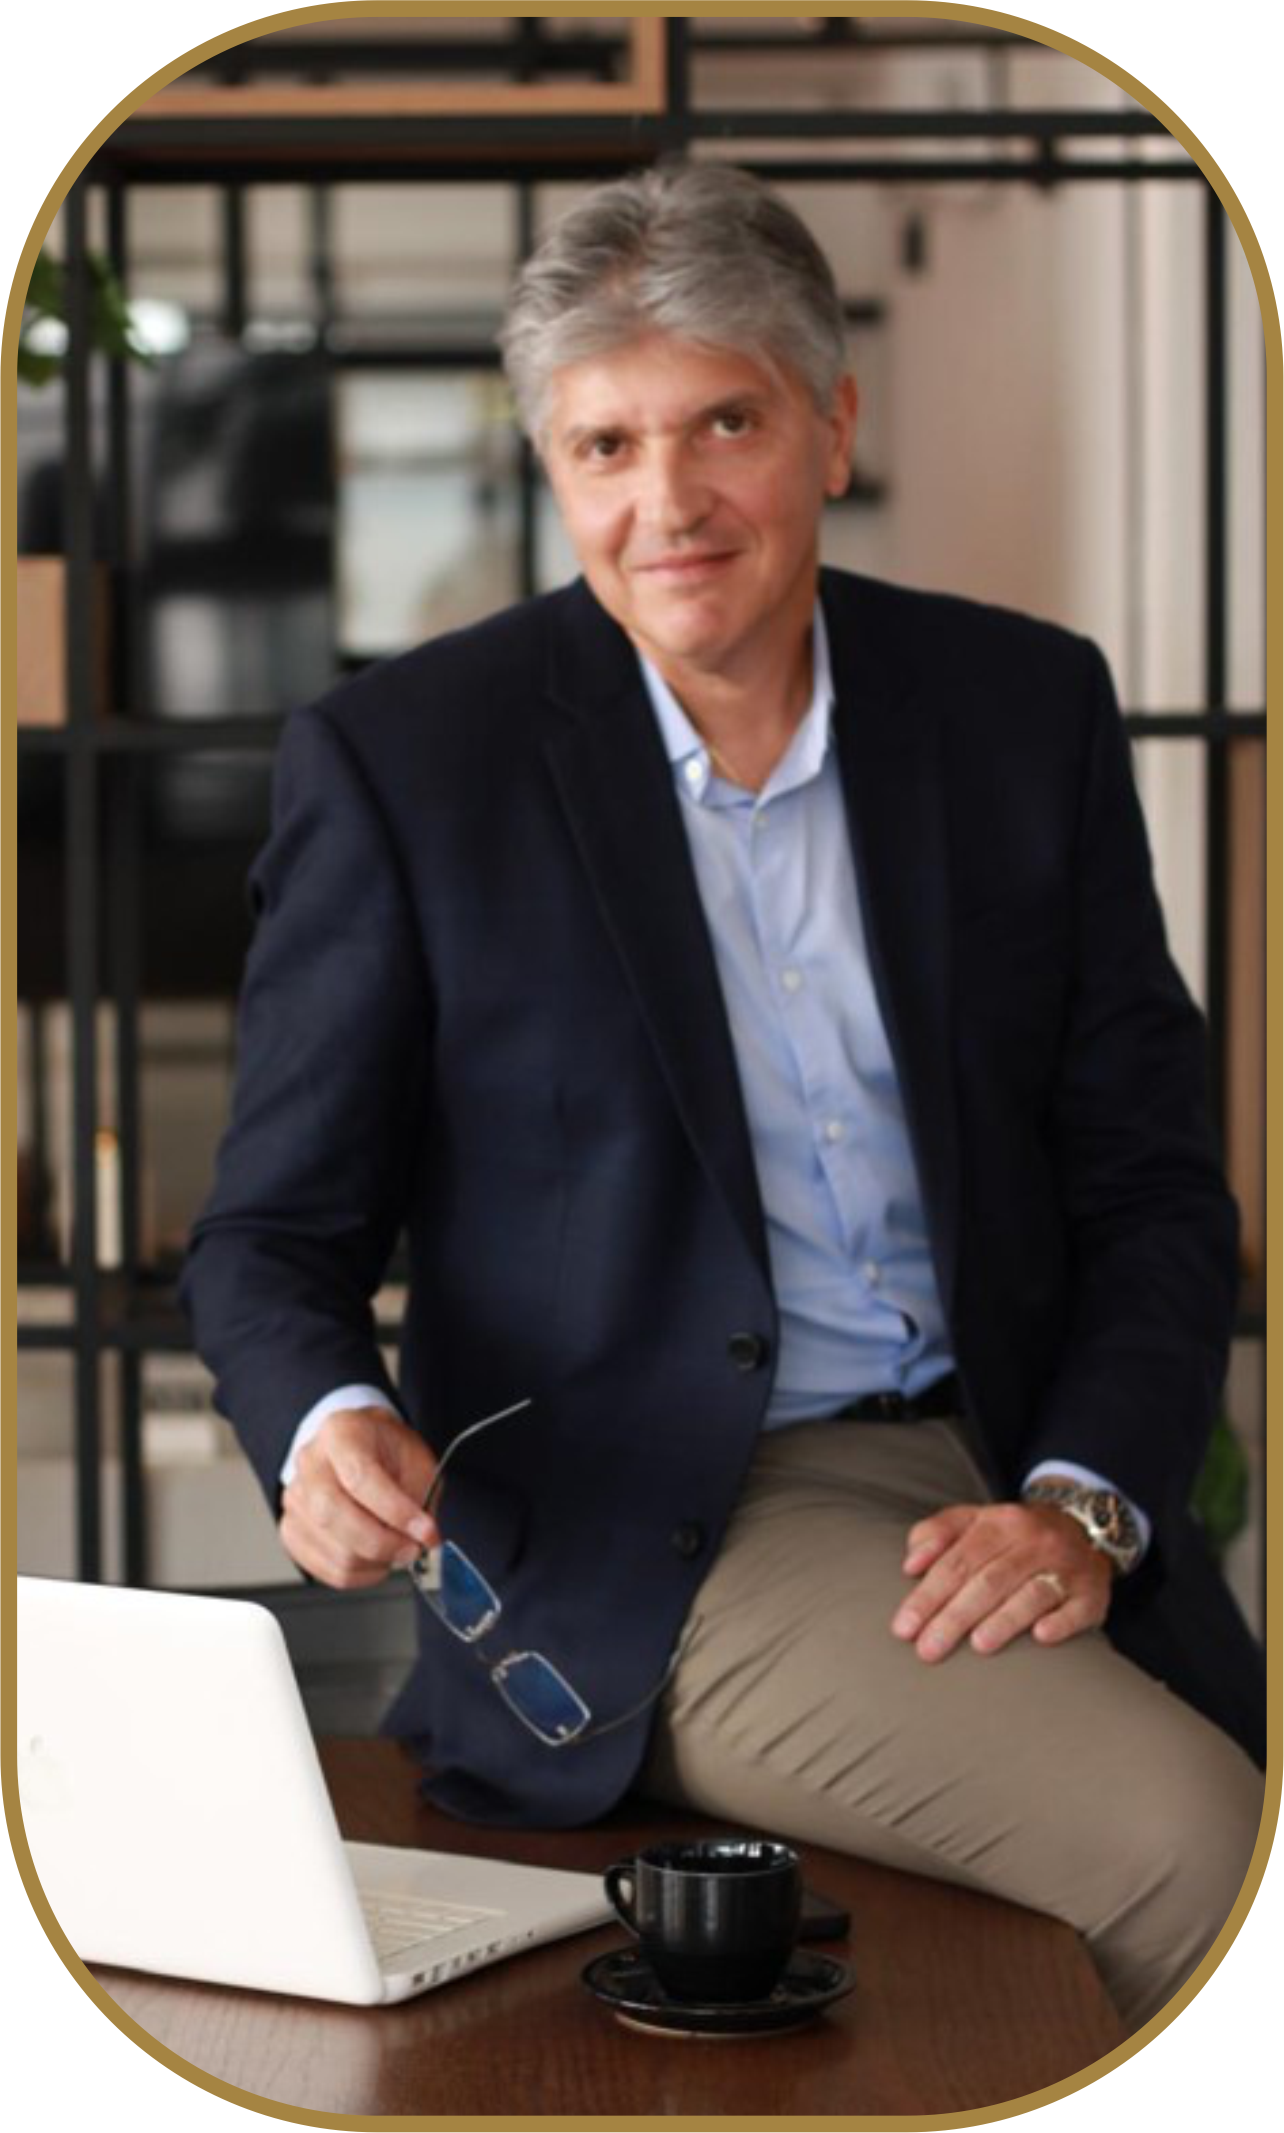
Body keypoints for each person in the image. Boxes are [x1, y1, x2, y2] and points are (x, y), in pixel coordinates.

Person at [182, 163, 1265, 2033]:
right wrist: (326, 1421)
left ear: (833, 427)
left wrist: (1085, 1498)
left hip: (1018, 1455)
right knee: (1196, 1851)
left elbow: (1154, 1185)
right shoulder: (407, 766)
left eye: (725, 426)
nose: (666, 504)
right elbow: (270, 1237)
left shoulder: (1024, 710)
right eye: (604, 446)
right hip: (670, 1530)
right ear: (551, 467)